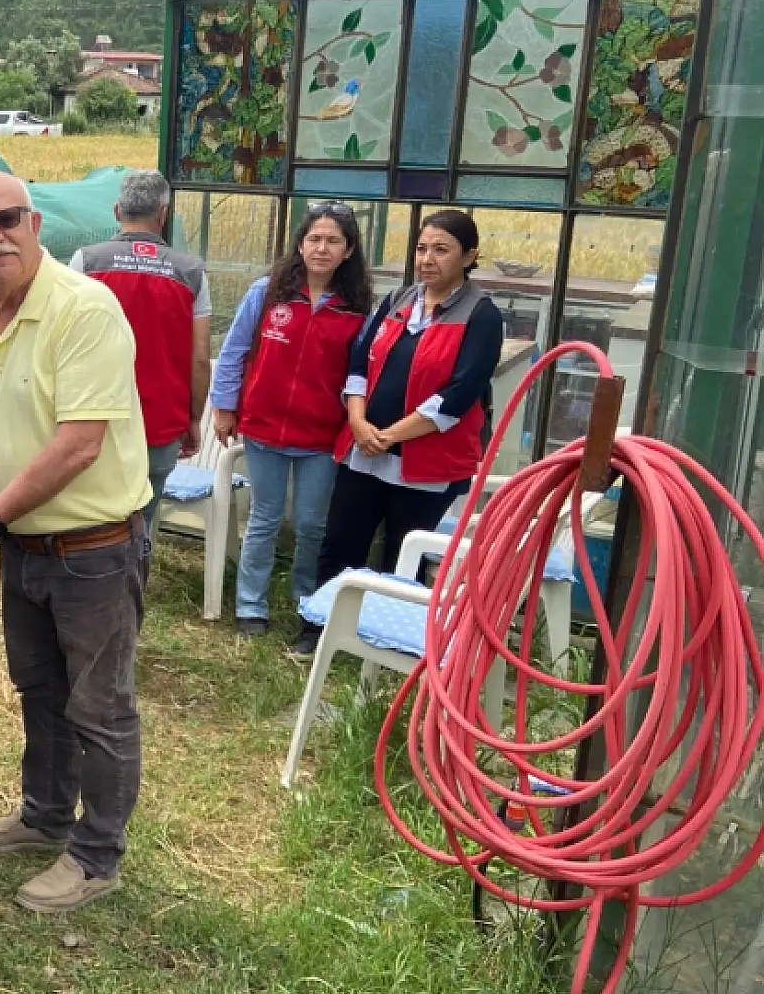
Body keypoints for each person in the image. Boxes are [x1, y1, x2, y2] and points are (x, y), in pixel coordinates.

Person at [0, 169, 152, 914]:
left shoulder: (86, 310)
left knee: (100, 707)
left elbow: (79, 445)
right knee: (40, 690)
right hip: (25, 546)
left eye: (6, 219)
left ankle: (97, 854)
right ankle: (45, 815)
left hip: (93, 547)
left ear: (35, 222)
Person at [304, 208, 505, 660]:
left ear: (469, 256)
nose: (427, 259)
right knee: (342, 542)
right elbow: (358, 365)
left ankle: (386, 648)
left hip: (423, 464)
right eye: (421, 248)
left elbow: (458, 396)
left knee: (403, 554)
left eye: (441, 250)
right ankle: (321, 630)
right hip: (364, 450)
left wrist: (390, 435)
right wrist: (358, 421)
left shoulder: (481, 316)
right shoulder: (397, 300)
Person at [210, 202, 372, 640]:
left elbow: (361, 375)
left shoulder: (357, 310)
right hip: (264, 428)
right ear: (300, 245)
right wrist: (225, 407)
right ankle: (250, 607)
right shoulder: (267, 293)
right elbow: (233, 352)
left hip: (320, 437)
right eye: (314, 239)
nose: (322, 248)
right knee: (263, 517)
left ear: (348, 250)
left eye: (333, 241)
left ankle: (310, 608)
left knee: (311, 524)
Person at [69, 169, 210, 528]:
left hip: (93, 419)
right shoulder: (191, 271)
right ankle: (134, 582)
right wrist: (194, 418)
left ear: (117, 211)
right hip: (160, 424)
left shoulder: (86, 263)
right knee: (142, 521)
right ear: (163, 215)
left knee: (90, 517)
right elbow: (199, 358)